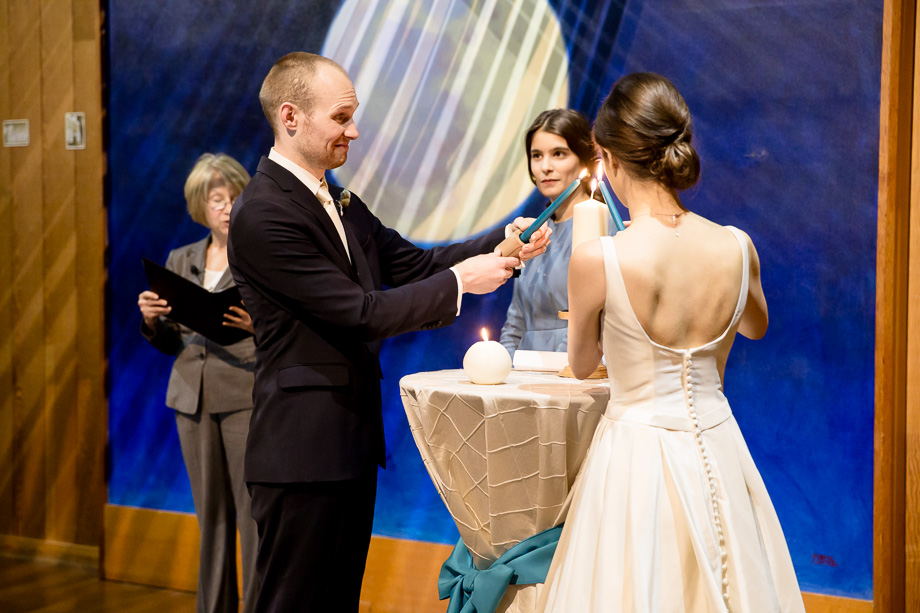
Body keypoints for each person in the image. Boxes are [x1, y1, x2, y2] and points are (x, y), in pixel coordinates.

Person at [226, 52, 551, 613]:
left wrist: (501, 243)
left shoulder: (339, 201)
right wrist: (463, 281)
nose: (354, 130)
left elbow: (413, 265)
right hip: (301, 454)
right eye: (341, 117)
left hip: (347, 444)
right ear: (290, 116)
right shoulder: (262, 212)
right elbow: (358, 313)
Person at [538, 73, 805, 612]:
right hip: (718, 447)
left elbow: (583, 365)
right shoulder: (736, 245)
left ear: (610, 160)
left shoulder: (600, 258)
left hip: (636, 454)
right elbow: (755, 325)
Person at [138, 153, 260, 613]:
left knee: (251, 517)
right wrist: (152, 321)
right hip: (191, 398)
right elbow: (172, 342)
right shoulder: (181, 258)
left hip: (244, 394)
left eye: (234, 198)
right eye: (217, 200)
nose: (227, 208)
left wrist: (258, 328)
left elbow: (287, 332)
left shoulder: (260, 259)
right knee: (211, 517)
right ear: (200, 206)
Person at [500, 109, 599, 359]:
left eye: (558, 154)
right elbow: (515, 323)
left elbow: (593, 323)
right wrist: (505, 367)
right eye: (537, 156)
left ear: (584, 160)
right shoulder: (530, 231)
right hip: (522, 374)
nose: (545, 167)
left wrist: (553, 373)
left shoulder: (604, 228)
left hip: (574, 370)